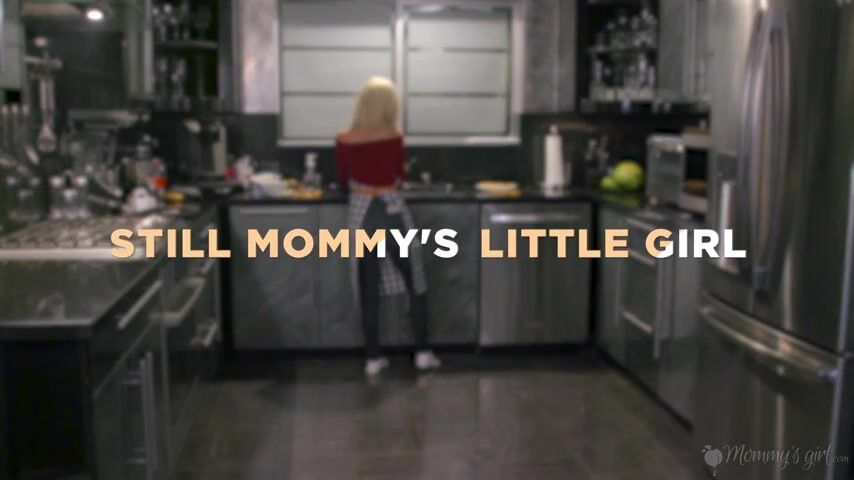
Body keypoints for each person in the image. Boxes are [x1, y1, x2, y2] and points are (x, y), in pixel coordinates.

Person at [335, 77, 441, 376]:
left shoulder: (343, 139)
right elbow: (398, 176)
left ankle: (373, 359)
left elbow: (342, 180)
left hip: (361, 216)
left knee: (368, 289)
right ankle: (423, 353)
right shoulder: (394, 136)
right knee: (414, 282)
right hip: (391, 212)